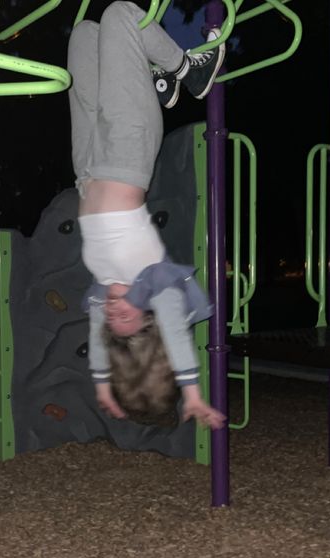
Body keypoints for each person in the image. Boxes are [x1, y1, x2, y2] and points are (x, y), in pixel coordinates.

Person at [67, 1, 226, 429]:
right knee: (121, 14)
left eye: (113, 326)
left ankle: (154, 78)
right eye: (133, 325)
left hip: (86, 164)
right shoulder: (155, 284)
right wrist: (192, 393)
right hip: (126, 149)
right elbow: (175, 336)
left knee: (84, 34)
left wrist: (102, 386)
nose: (118, 317)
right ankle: (188, 71)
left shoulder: (103, 293)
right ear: (148, 318)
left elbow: (100, 347)